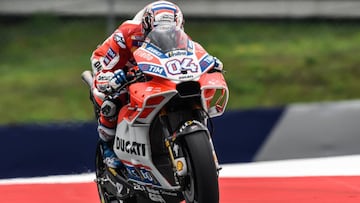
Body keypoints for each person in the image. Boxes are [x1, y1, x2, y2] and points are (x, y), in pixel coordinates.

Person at [90, 0, 223, 168]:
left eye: (172, 31)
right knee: (111, 100)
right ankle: (107, 146)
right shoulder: (126, 34)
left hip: (157, 71)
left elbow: (195, 54)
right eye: (158, 31)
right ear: (146, 26)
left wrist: (210, 62)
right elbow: (103, 62)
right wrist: (107, 78)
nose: (167, 35)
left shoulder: (181, 37)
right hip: (120, 67)